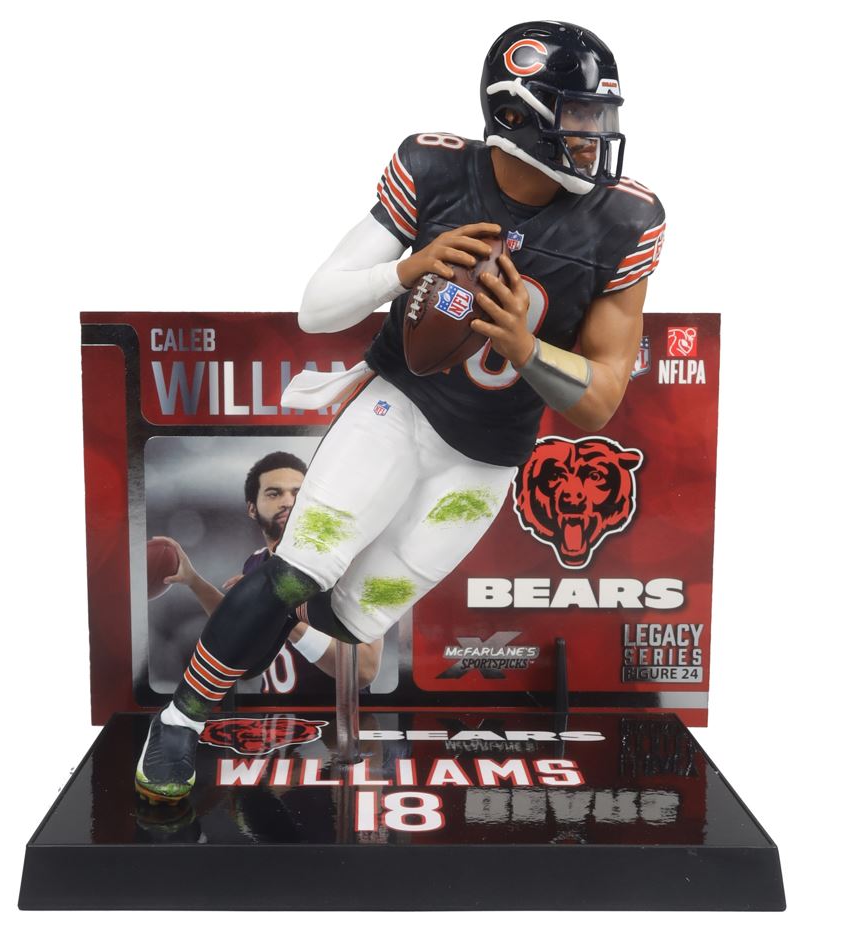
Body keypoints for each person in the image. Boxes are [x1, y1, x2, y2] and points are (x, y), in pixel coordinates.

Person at [136, 20, 665, 804]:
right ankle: (179, 720)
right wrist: (407, 268)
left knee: (359, 618)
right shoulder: (437, 170)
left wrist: (524, 347)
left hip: (486, 458)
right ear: (515, 113)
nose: (594, 135)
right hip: (401, 407)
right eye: (578, 115)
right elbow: (317, 305)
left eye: (601, 116)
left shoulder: (625, 220)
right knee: (295, 573)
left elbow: (602, 401)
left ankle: (306, 697)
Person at [152, 451, 383, 695]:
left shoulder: (346, 564)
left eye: (297, 493)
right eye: (274, 494)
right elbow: (237, 633)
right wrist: (194, 581)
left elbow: (364, 670)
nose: (288, 502)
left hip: (330, 715)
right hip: (274, 714)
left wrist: (283, 615)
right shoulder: (255, 563)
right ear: (252, 509)